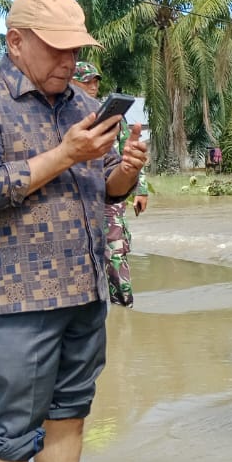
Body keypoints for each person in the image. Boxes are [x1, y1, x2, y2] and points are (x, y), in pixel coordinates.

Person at [0, 0, 147, 462]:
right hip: (13, 300)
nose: (69, 60)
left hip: (84, 292)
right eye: (56, 49)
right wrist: (65, 153)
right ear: (15, 42)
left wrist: (126, 169)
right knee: (8, 434)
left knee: (71, 414)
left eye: (76, 50)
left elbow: (103, 188)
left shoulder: (82, 104)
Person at [72, 61, 149, 308]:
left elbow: (132, 153)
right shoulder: (65, 115)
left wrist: (141, 189)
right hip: (77, 198)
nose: (92, 86)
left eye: (95, 81)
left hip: (110, 192)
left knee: (115, 249)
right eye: (87, 81)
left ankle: (124, 305)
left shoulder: (112, 116)